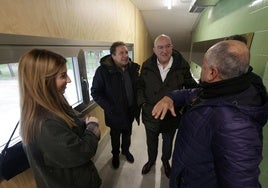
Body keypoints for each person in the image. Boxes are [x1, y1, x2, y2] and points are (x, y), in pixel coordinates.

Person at [152, 40, 268, 187]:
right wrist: (170, 97)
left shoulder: (236, 125)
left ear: (213, 72)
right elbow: (192, 93)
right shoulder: (221, 88)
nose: (201, 71)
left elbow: (241, 182)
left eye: (204, 66)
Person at [18, 49, 102, 188]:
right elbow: (82, 152)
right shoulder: (45, 124)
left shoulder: (54, 103)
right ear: (42, 81)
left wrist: (82, 123)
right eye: (63, 76)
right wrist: (92, 127)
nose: (69, 80)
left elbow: (69, 124)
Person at [137, 34, 197, 178]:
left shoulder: (182, 66)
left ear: (172, 47)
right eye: (160, 47)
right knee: (151, 142)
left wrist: (182, 107)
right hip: (150, 115)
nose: (164, 51)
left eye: (167, 46)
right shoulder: (146, 65)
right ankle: (151, 160)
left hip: (172, 116)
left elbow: (191, 89)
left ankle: (165, 162)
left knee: (168, 143)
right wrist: (143, 104)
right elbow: (139, 87)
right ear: (154, 49)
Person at [91, 41, 140, 169]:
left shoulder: (132, 68)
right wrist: (109, 107)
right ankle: (116, 155)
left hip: (129, 110)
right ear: (112, 56)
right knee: (115, 136)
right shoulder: (103, 71)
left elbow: (137, 87)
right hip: (114, 113)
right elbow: (95, 92)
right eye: (121, 53)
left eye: (126, 52)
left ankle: (125, 151)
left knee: (127, 133)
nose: (125, 56)